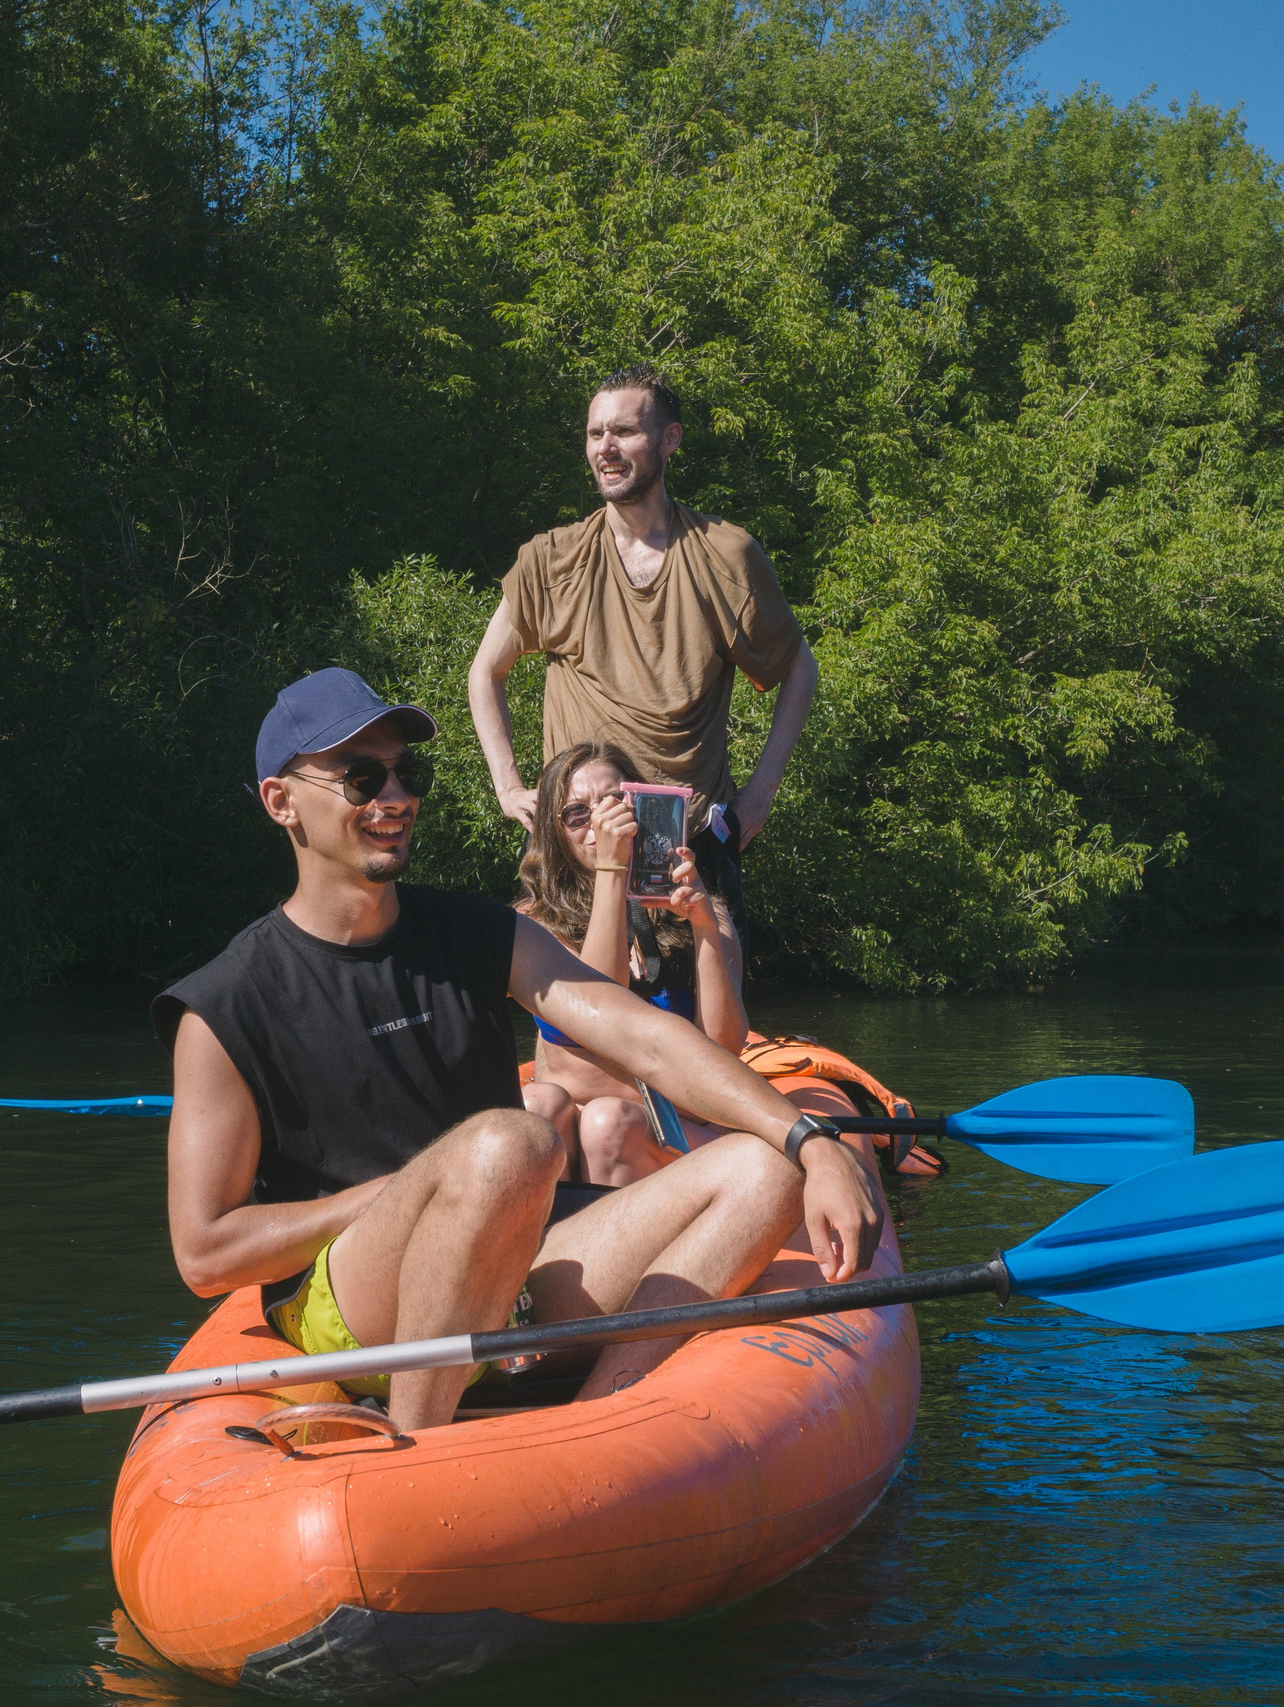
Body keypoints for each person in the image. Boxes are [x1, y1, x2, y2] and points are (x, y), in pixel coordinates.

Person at [155, 668, 884, 1434]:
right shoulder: (225, 1003)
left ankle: (604, 1417)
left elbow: (640, 1033)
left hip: (514, 1255)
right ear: (282, 802)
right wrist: (409, 1193)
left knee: (764, 1165)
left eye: (409, 773)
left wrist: (809, 1139)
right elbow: (205, 1253)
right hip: (353, 1299)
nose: (395, 798)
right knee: (511, 1142)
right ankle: (416, 1443)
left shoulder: (477, 931)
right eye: (362, 778)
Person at [466, 365, 817, 943]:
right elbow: (486, 671)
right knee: (574, 1024)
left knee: (703, 1026)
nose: (606, 447)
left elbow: (799, 667)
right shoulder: (551, 559)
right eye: (594, 433)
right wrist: (508, 787)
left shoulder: (727, 555)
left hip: (690, 841)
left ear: (670, 439)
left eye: (624, 431)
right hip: (575, 841)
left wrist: (758, 797)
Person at [515, 741, 748, 1187]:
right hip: (596, 1119)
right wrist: (612, 870)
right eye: (577, 814)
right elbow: (598, 1015)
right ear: (555, 832)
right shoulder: (532, 925)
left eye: (614, 803)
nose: (601, 822)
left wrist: (702, 926)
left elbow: (725, 1048)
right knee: (536, 1108)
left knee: (608, 1119)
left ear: (642, 809)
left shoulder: (705, 909)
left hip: (668, 1126)